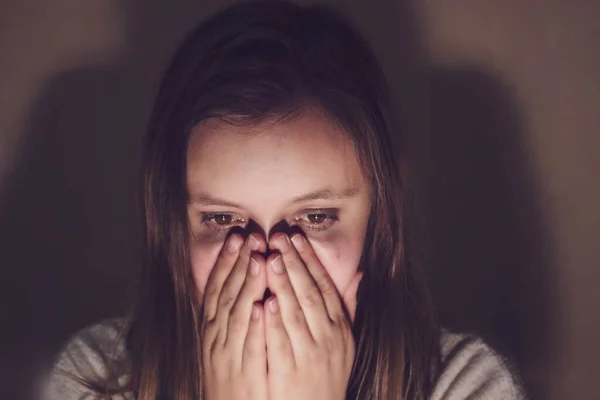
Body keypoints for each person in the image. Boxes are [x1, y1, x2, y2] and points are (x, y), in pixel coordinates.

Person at [43, 1, 525, 399]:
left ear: (375, 221)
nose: (268, 266)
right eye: (222, 218)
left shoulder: (463, 384)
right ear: (173, 224)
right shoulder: (98, 379)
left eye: (315, 217)